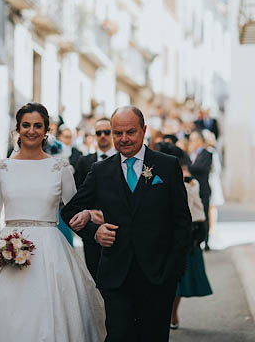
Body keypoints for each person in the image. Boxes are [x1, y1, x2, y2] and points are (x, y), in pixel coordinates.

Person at [0, 103, 104, 340]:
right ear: (17, 130)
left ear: (46, 130)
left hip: (51, 252)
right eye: (26, 125)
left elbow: (73, 212)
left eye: (37, 126)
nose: (31, 131)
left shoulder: (60, 167)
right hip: (9, 250)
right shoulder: (2, 168)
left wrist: (92, 222)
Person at [63, 106, 192, 342]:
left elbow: (182, 221)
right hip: (116, 276)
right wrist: (94, 231)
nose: (124, 139)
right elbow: (69, 211)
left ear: (144, 131)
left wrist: (173, 269)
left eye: (130, 132)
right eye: (117, 133)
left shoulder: (167, 166)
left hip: (158, 276)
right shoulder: (100, 171)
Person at [154, 142, 212, 330]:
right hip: (161, 234)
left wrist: (200, 229)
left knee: (177, 277)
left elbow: (194, 209)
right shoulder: (154, 177)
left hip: (182, 234)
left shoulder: (188, 182)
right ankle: (168, 313)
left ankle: (171, 314)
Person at [72, 117, 115, 278]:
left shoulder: (122, 160)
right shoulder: (84, 162)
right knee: (94, 273)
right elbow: (76, 194)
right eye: (99, 133)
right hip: (91, 227)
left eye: (106, 132)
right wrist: (88, 212)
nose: (103, 135)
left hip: (116, 226)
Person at [188, 130, 214, 250]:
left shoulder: (207, 154)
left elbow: (201, 168)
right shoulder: (191, 154)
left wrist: (188, 168)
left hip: (203, 189)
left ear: (199, 140)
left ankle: (206, 241)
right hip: (192, 189)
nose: (191, 142)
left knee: (204, 215)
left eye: (193, 140)